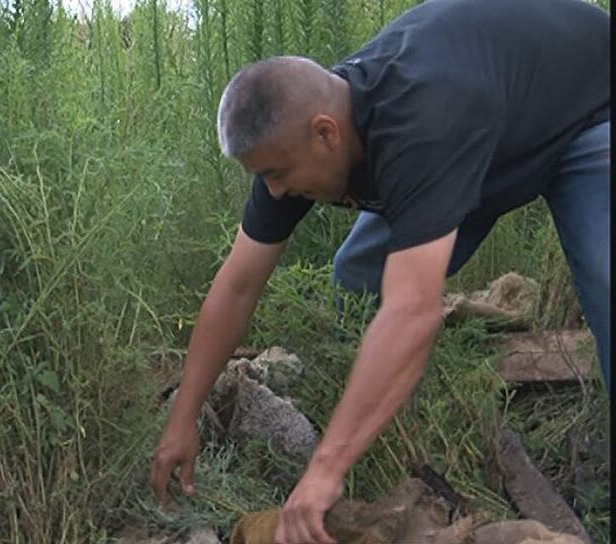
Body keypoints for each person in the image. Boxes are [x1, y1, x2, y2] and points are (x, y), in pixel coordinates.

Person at [149, 0, 610, 542]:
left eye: (277, 174)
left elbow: (413, 312)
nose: (273, 191)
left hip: (586, 106)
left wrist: (325, 468)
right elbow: (237, 285)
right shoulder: (295, 137)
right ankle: (391, 434)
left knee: (608, 278)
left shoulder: (422, 122)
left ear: (326, 133)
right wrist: (183, 417)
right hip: (483, 126)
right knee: (359, 276)